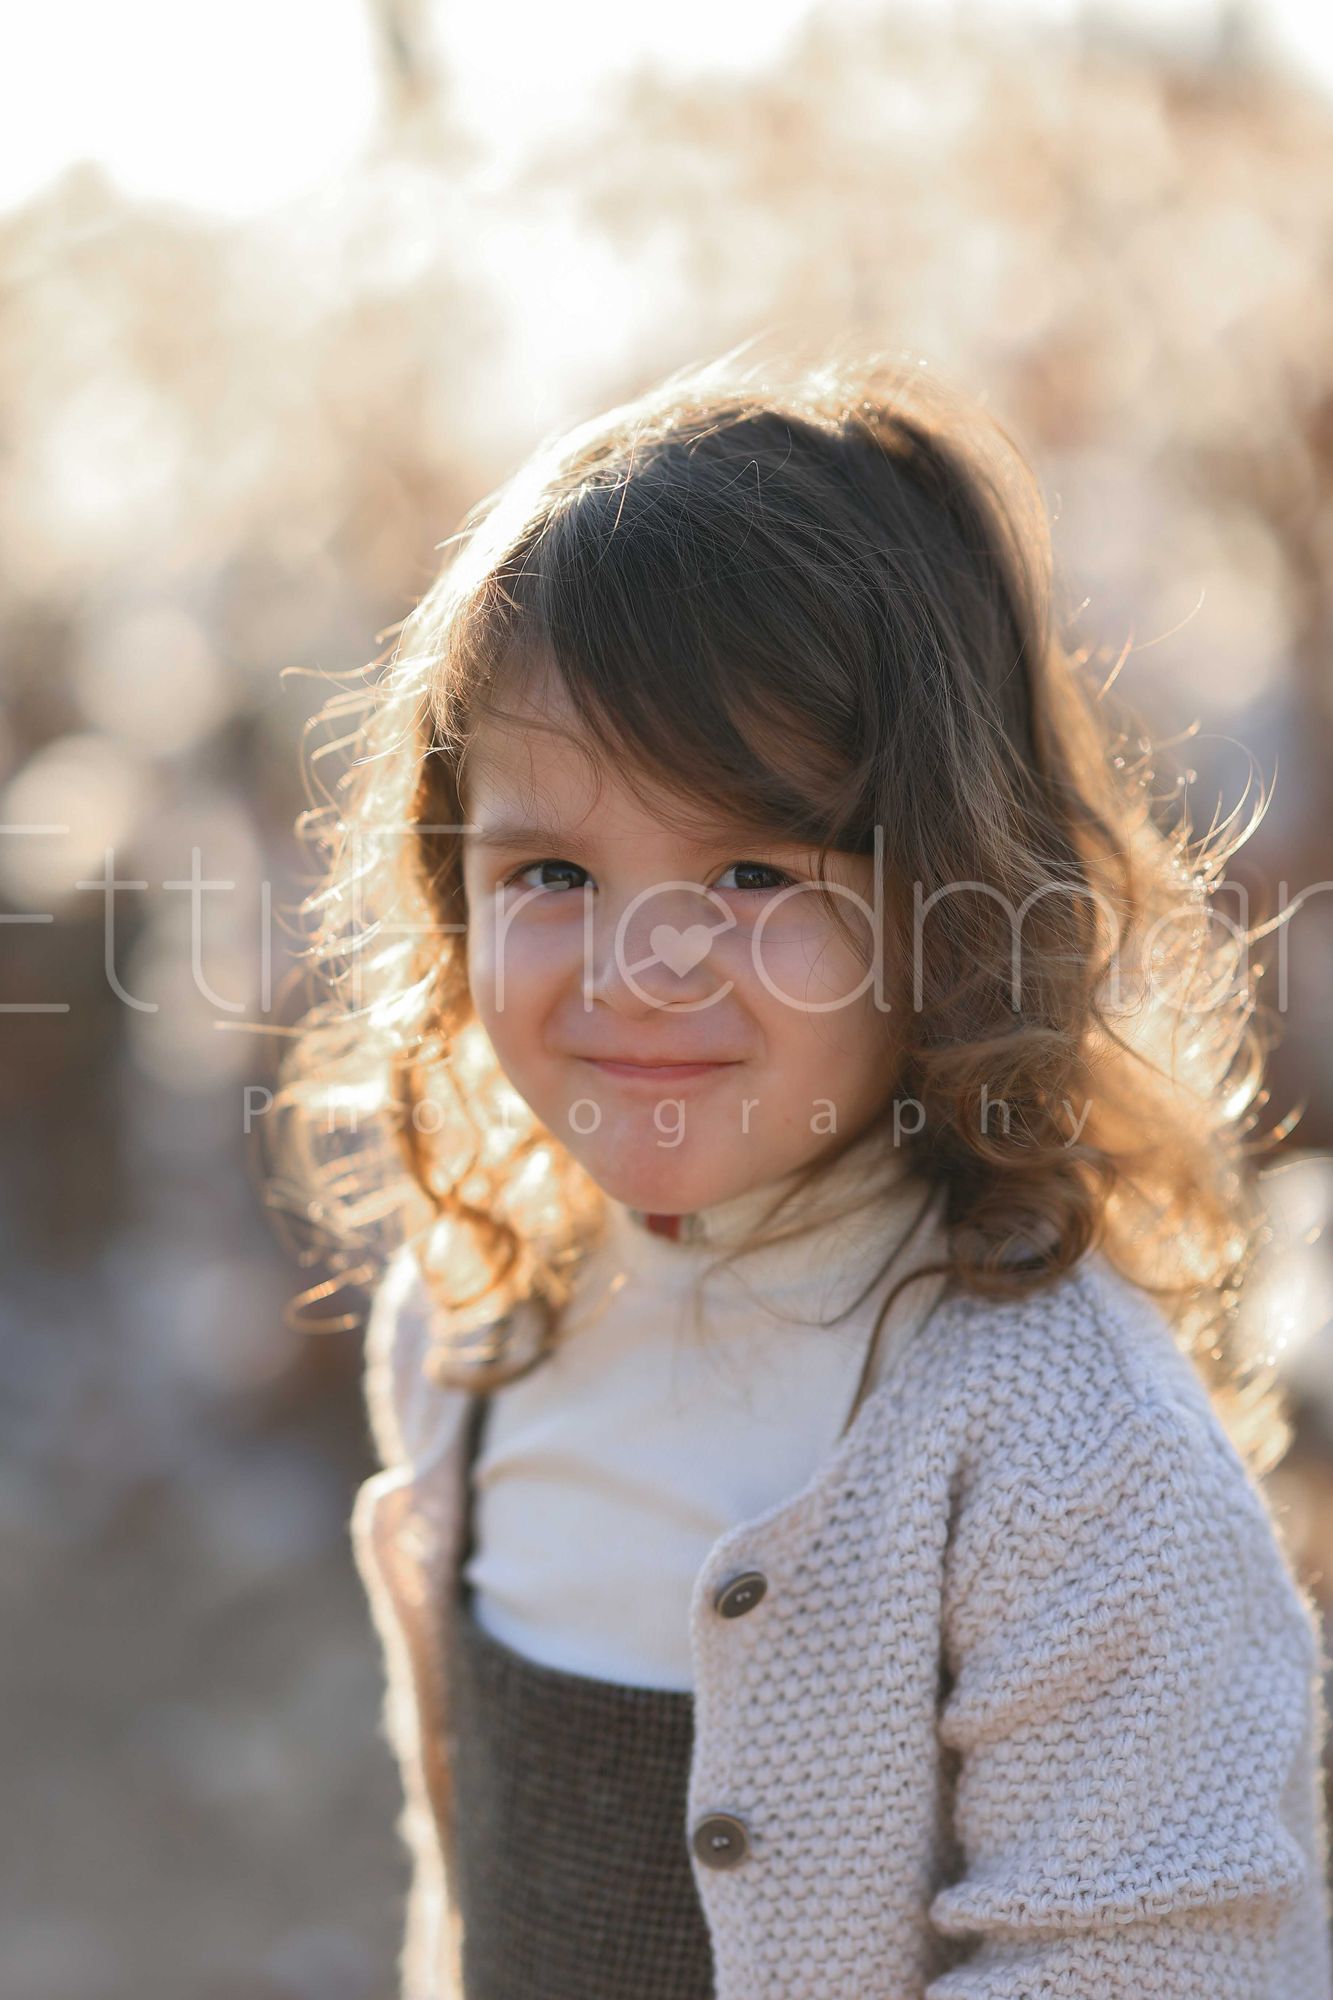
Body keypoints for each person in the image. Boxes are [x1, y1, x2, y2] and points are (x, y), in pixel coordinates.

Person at [273, 345, 1333, 1998]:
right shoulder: (476, 1326)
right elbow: (480, 1899)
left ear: (953, 905)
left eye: (754, 868)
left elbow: (1160, 1961)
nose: (637, 964)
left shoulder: (1067, 1453)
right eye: (550, 867)